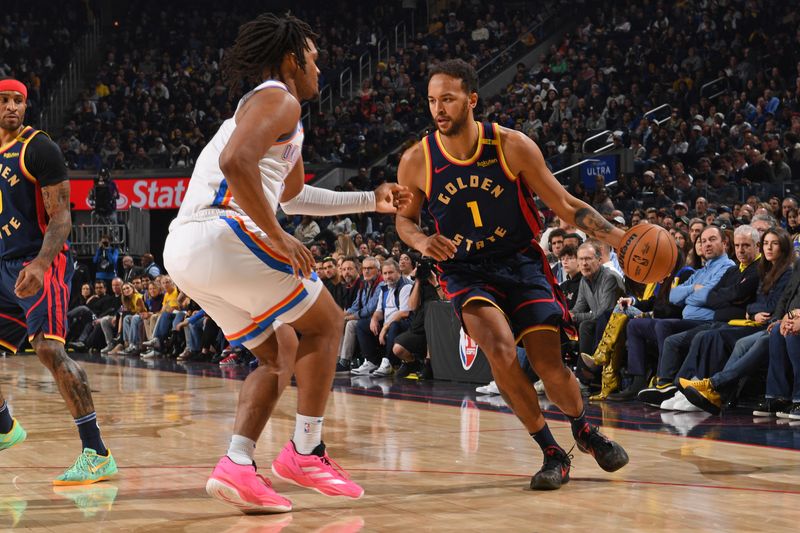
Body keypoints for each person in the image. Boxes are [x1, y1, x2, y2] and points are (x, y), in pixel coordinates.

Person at [162, 14, 410, 513]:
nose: (321, 66)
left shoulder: (283, 118)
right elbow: (236, 164)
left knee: (279, 352)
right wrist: (275, 235)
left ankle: (237, 463)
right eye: (315, 58)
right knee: (326, 324)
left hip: (186, 251)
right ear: (294, 58)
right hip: (220, 230)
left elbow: (293, 198)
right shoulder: (279, 97)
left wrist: (370, 199)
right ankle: (306, 450)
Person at [396, 59, 628, 491]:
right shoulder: (416, 160)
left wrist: (620, 238)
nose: (438, 108)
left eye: (447, 98)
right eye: (432, 100)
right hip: (465, 270)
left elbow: (563, 204)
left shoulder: (510, 145)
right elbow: (404, 221)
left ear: (472, 99)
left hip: (520, 261)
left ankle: (583, 429)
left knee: (548, 363)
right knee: (499, 349)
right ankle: (551, 451)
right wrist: (422, 242)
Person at [0, 78, 117, 484]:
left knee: (49, 350)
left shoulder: (38, 148)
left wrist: (41, 265)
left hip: (40, 261)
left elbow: (62, 216)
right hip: (3, 264)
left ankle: (96, 452)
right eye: (4, 100)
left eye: (18, 101)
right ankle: (4, 427)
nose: (12, 107)